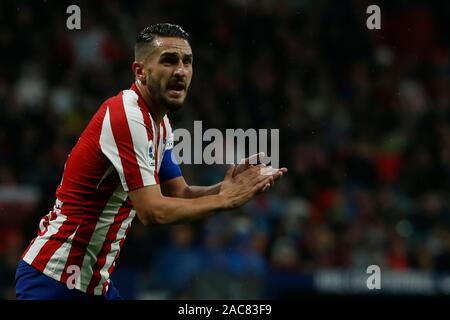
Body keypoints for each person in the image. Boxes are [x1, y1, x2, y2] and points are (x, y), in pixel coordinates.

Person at [15, 23, 287, 300]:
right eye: (169, 60)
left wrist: (227, 187)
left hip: (93, 285)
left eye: (187, 62)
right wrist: (225, 201)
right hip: (54, 280)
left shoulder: (160, 123)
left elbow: (178, 193)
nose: (180, 71)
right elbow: (153, 212)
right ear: (140, 71)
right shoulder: (126, 116)